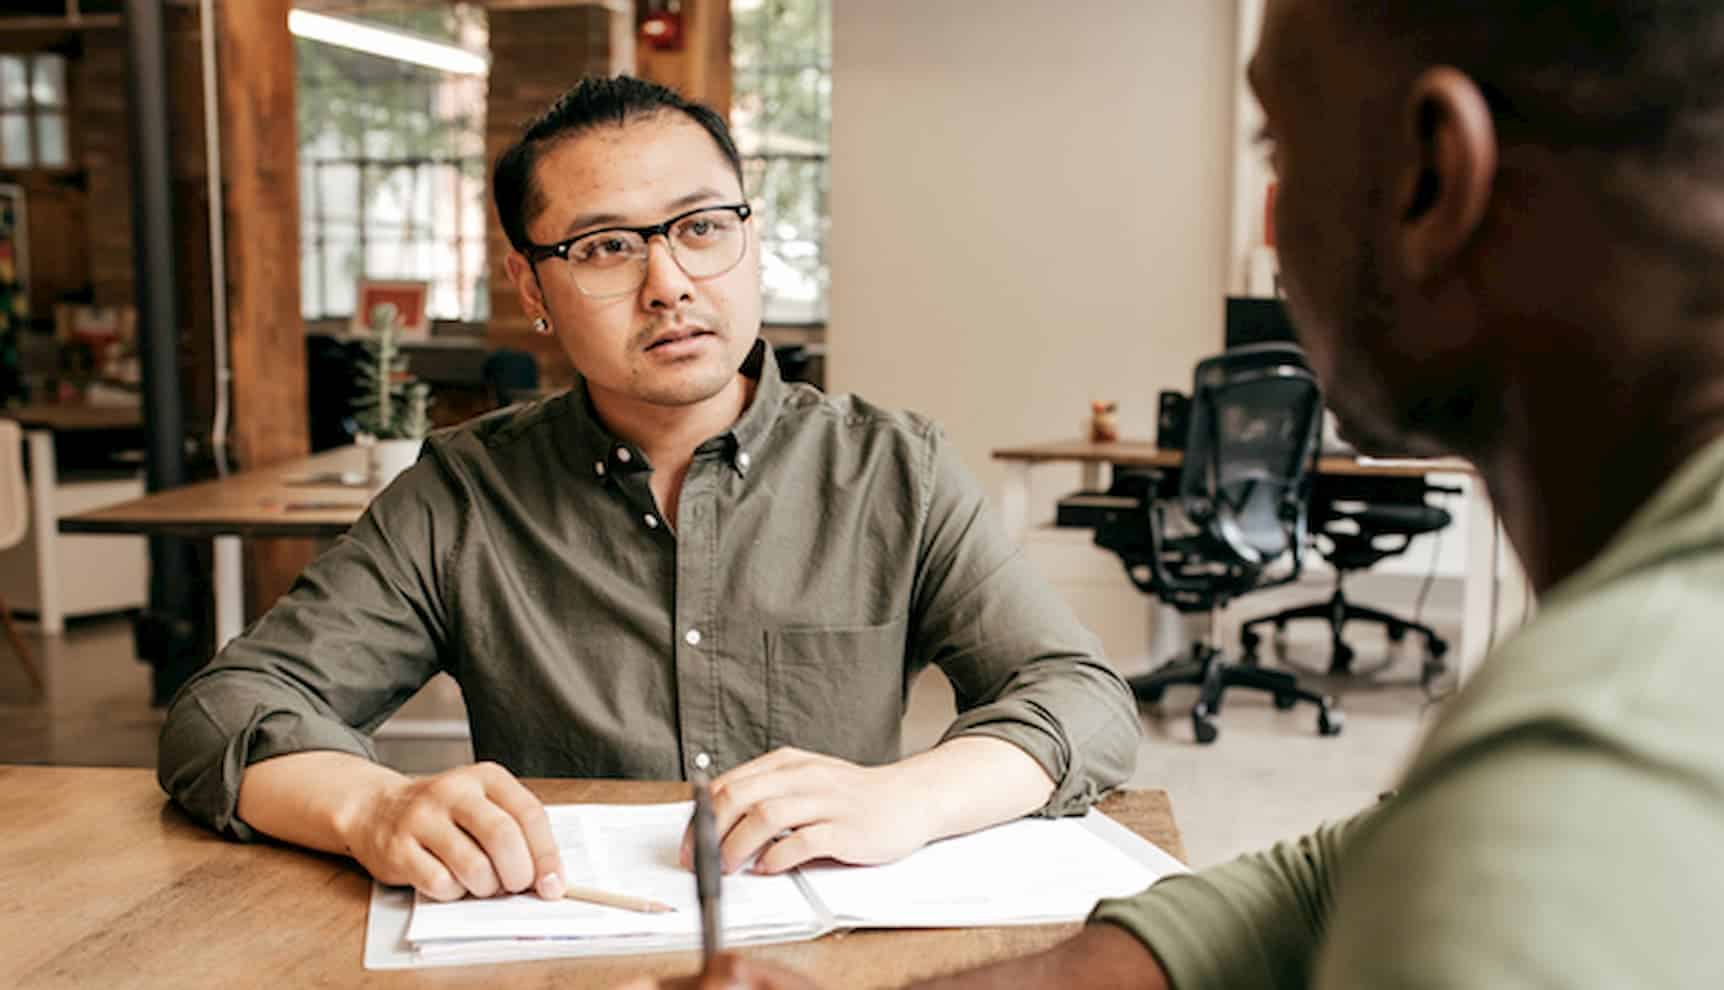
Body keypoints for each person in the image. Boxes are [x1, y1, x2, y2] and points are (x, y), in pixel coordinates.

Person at [654, 0, 1724, 986]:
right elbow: (1351, 865)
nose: (1280, 211)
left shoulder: (1569, 825)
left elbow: (1483, 853)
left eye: (1279, 144)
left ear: (1430, 178)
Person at [156, 76, 1138, 907]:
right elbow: (226, 711)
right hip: (561, 949)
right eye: (605, 247)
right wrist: (371, 806)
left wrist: (908, 799)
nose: (667, 281)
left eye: (702, 228)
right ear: (531, 288)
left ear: (748, 238)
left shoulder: (893, 472)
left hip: (824, 954)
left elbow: (1078, 698)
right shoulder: (464, 493)